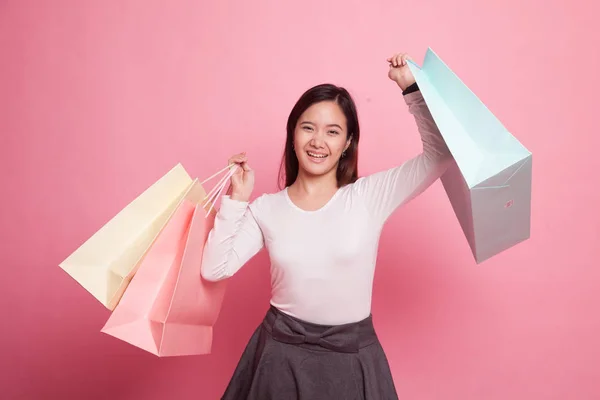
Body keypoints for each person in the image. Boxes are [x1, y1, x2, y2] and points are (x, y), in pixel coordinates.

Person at [201, 52, 453, 400]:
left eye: (333, 132)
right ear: (292, 134)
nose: (318, 142)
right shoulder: (266, 209)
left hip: (351, 362)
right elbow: (214, 269)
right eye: (308, 128)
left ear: (348, 142)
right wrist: (237, 199)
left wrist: (411, 88)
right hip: (278, 360)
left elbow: (440, 154)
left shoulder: (368, 197)